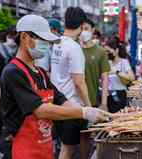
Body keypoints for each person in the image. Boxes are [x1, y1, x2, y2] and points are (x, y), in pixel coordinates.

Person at [0, 14, 110, 159]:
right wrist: (83, 113)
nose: (46, 45)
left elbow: (60, 99)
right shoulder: (13, 73)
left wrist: (90, 111)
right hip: (20, 149)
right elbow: (40, 110)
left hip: (43, 146)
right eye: (42, 40)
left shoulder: (41, 73)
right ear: (25, 37)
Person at [50, 7, 92, 159]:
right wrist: (88, 107)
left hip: (57, 102)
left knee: (63, 147)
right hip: (71, 105)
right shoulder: (74, 48)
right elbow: (79, 82)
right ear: (81, 25)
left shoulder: (57, 43)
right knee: (67, 150)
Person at [80, 18, 110, 109]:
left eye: (86, 28)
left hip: (93, 100)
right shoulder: (74, 49)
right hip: (75, 102)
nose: (83, 32)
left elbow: (105, 79)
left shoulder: (100, 51)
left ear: (93, 30)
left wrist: (104, 103)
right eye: (81, 29)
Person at [105, 38, 135, 113]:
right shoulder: (106, 62)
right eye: (106, 51)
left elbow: (132, 77)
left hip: (120, 93)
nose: (107, 53)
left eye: (109, 51)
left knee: (120, 115)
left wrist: (117, 72)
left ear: (116, 50)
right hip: (108, 94)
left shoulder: (124, 62)